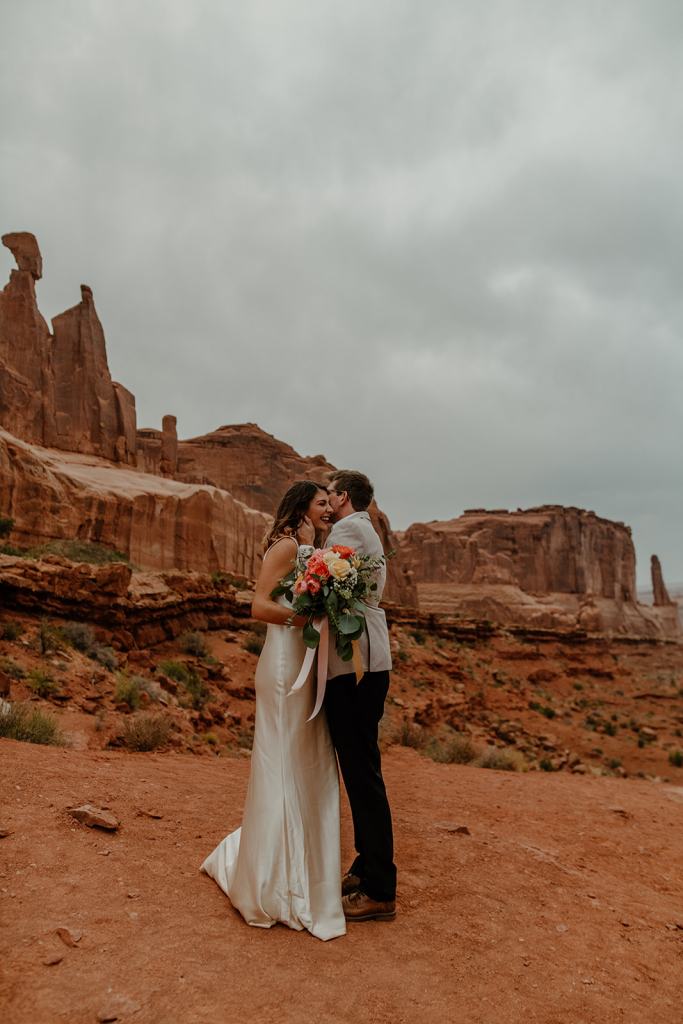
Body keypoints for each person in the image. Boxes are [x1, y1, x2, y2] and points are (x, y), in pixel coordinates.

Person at [200, 481, 346, 942]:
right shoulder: (285, 546)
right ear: (302, 506)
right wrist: (303, 619)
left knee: (305, 759)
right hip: (283, 665)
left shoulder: (314, 550)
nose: (328, 509)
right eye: (321, 503)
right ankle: (274, 882)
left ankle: (301, 869)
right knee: (283, 760)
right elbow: (259, 606)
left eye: (330, 503)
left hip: (304, 661)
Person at [324, 470, 397, 922]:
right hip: (368, 662)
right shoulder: (364, 527)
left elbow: (326, 586)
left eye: (330, 493)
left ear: (343, 497)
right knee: (360, 769)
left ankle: (379, 888)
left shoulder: (348, 529)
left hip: (356, 666)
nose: (326, 500)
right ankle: (366, 866)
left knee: (362, 773)